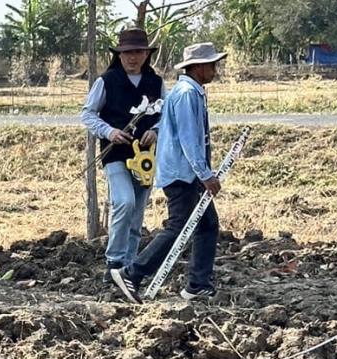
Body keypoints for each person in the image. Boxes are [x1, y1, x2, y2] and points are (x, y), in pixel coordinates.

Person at [111, 42, 227, 304]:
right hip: (182, 174)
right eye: (211, 65)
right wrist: (205, 174)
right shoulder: (186, 95)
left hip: (187, 173)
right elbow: (189, 139)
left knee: (208, 225)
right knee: (178, 226)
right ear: (197, 67)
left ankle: (198, 285)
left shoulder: (192, 92)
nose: (214, 70)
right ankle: (132, 273)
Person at [80, 27, 164, 274]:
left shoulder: (156, 83)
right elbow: (87, 114)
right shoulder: (106, 81)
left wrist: (157, 130)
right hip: (115, 155)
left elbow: (169, 115)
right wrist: (110, 132)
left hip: (145, 158)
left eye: (138, 52)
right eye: (127, 52)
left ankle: (129, 268)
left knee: (137, 213)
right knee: (123, 202)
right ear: (119, 54)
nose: (132, 57)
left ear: (147, 54)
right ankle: (114, 262)